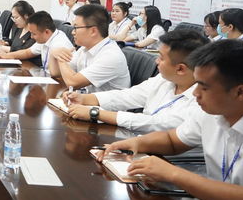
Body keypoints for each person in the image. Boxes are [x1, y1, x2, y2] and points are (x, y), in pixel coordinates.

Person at [99, 39, 243, 200]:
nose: (195, 93)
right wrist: (136, 143)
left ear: (240, 92)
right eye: (196, 84)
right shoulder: (210, 113)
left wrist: (173, 174)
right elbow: (172, 140)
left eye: (204, 87)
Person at [63, 29, 209, 132]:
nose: (156, 61)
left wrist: (95, 113)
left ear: (181, 69)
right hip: (139, 140)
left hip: (170, 157)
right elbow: (129, 95)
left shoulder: (203, 98)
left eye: (161, 58)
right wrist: (85, 98)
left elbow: (155, 123)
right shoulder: (164, 79)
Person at [49, 4, 131, 92]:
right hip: (85, 99)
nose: (73, 32)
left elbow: (72, 83)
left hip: (105, 101)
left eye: (76, 27)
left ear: (93, 31)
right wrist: (53, 53)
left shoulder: (111, 56)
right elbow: (56, 73)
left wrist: (61, 58)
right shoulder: (84, 48)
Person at [3, 11, 73, 67]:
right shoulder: (46, 38)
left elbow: (61, 76)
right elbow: (27, 52)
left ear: (47, 32)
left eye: (34, 34)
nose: (31, 37)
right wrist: (6, 56)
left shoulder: (59, 44)